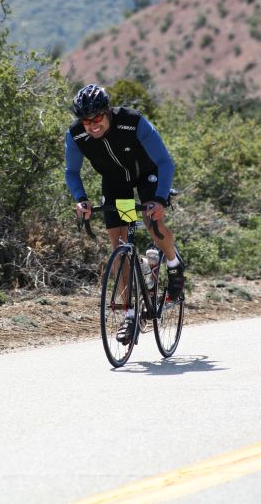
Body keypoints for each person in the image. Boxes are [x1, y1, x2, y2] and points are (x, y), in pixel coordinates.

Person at [64, 83, 185, 343]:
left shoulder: (132, 121)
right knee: (120, 245)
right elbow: (71, 172)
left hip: (148, 175)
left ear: (107, 112)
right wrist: (81, 200)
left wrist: (160, 199)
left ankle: (174, 264)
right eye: (86, 121)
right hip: (117, 184)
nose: (92, 125)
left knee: (150, 220)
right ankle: (130, 314)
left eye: (97, 118)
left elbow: (165, 162)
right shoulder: (75, 135)